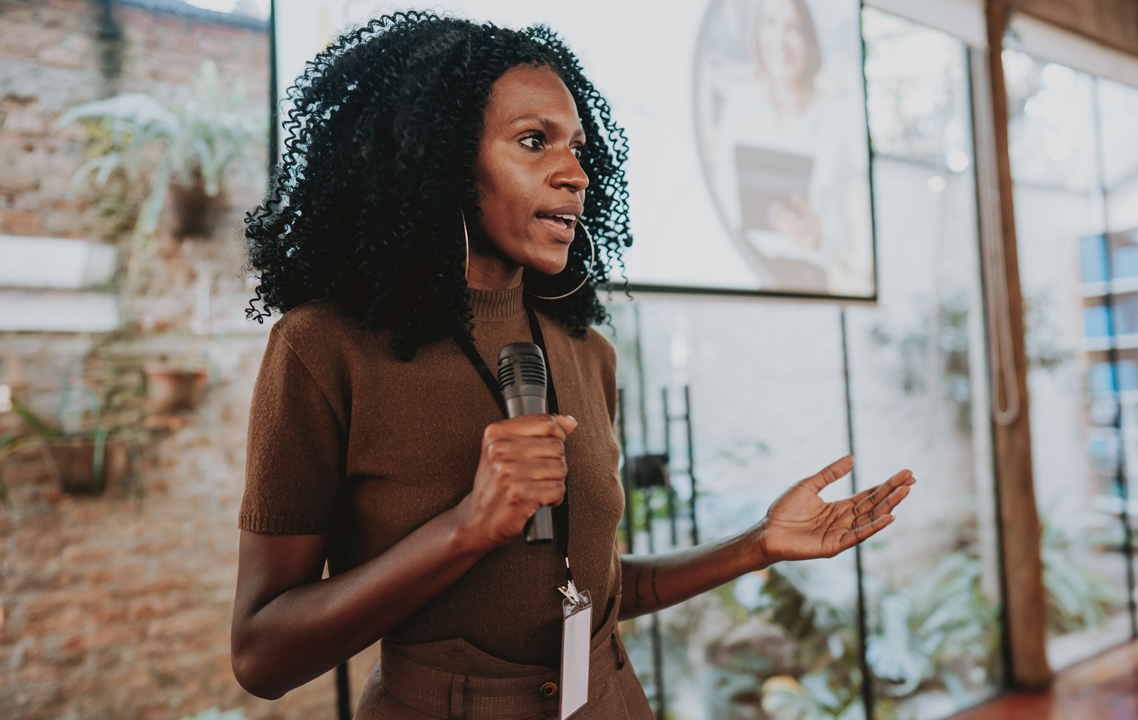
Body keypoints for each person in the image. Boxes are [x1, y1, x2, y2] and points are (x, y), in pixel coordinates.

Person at [232, 12, 914, 719]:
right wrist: (468, 526)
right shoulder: (322, 350)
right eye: (535, 142)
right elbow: (261, 654)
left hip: (610, 699)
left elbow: (596, 588)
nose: (576, 173)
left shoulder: (587, 351)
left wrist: (758, 546)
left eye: (578, 148)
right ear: (439, 157)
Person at [707, 0, 873, 295]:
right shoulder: (739, 105)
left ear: (809, 39)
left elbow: (839, 237)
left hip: (805, 282)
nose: (779, 41)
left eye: (793, 28)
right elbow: (719, 197)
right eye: (770, 23)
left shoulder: (833, 126)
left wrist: (815, 238)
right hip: (738, 273)